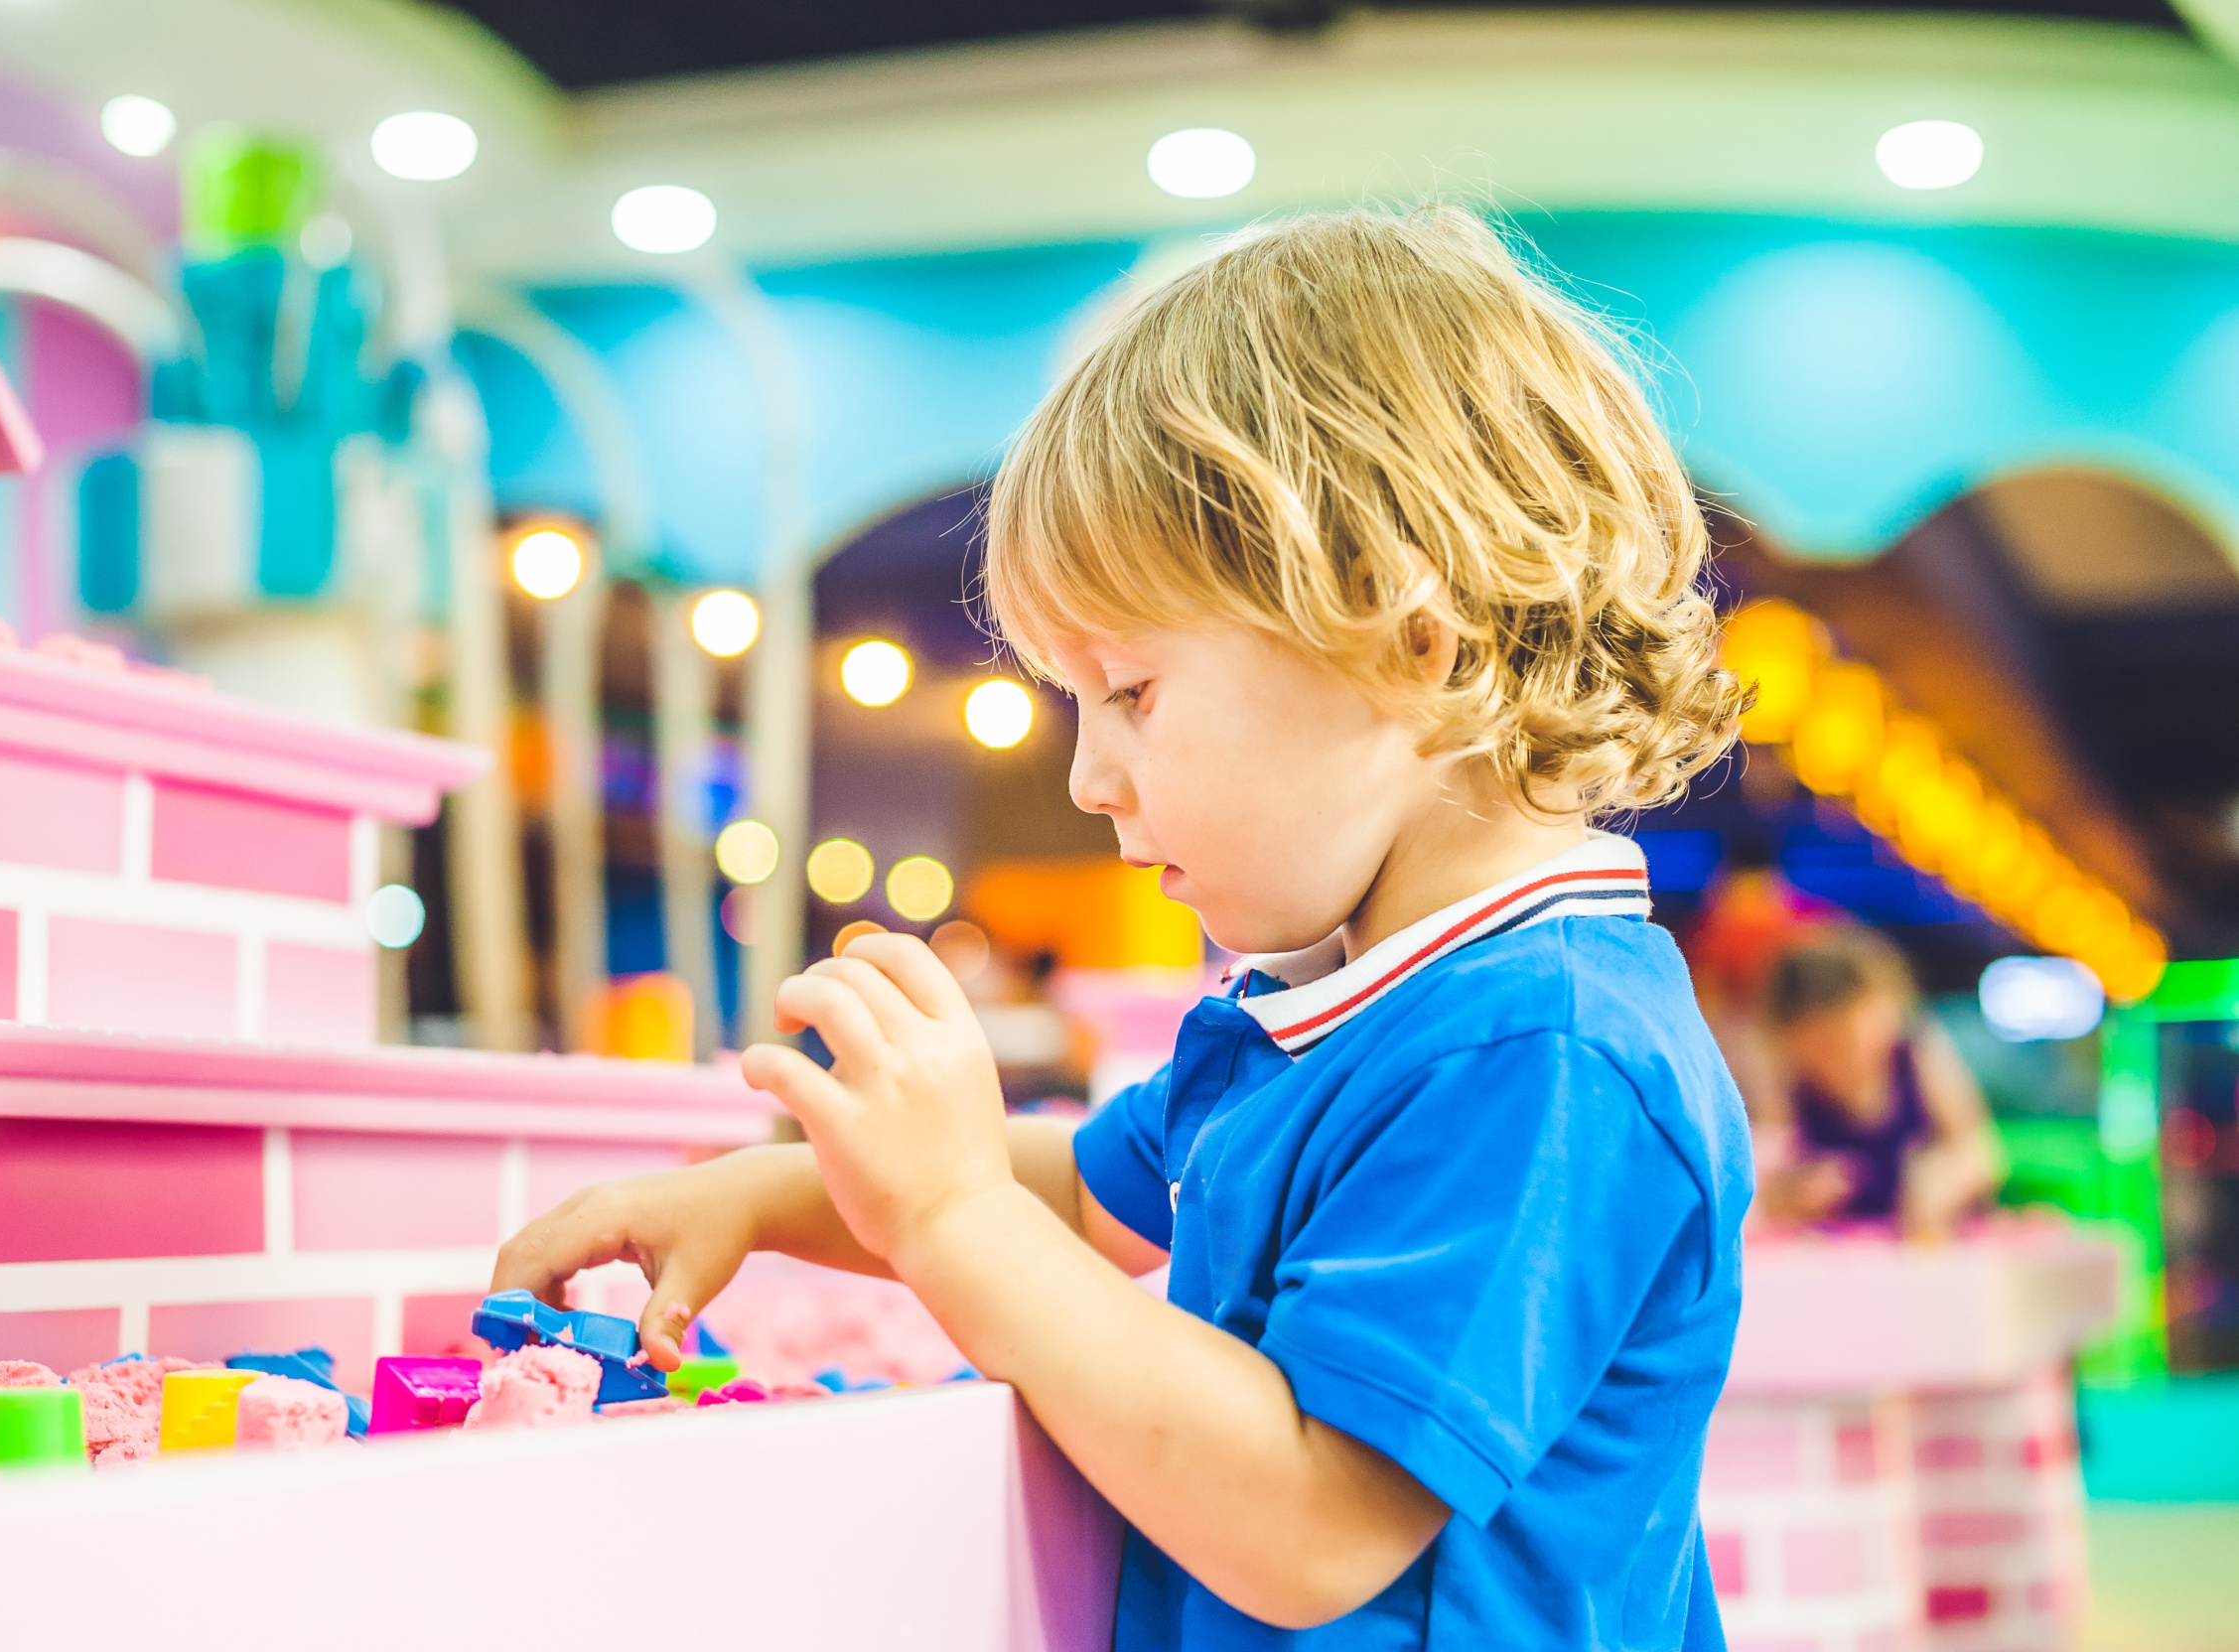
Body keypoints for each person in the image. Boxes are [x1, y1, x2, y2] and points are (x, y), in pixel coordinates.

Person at [494, 206, 1753, 1648]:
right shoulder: (1324, 1015)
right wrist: (771, 1194)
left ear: (1412, 642)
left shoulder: (1542, 1049)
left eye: (1132, 692)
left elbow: (1311, 1524)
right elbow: (1088, 1199)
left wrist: (949, 1214)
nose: (1089, 778)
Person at [1752, 925, 2000, 1239]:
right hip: (1837, 1253)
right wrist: (1790, 1195)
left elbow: (1979, 1152)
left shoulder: (1917, 1054)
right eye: (1817, 1049)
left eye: (1844, 1041)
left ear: (1883, 1013)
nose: (1834, 1063)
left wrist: (1945, 1180)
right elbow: (1764, 1183)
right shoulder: (1787, 1085)